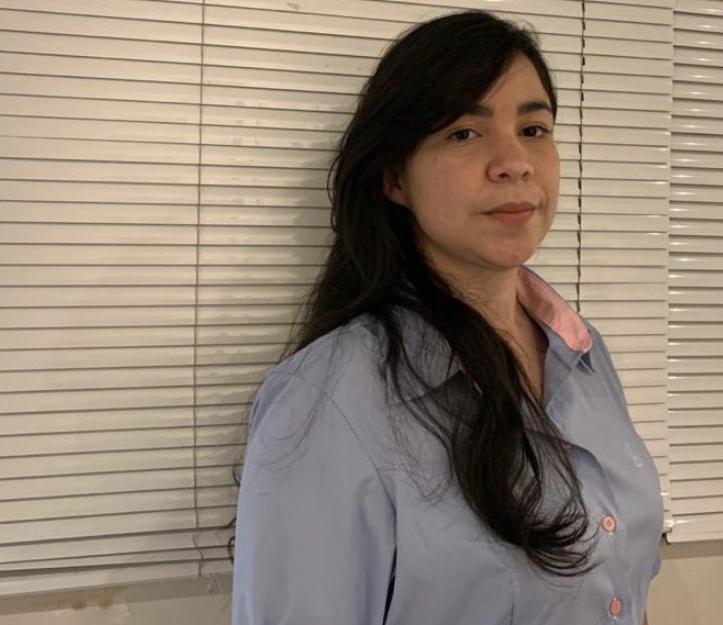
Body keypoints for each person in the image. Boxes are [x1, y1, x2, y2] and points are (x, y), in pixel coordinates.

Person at [230, 9, 663, 625]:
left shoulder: (582, 351)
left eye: (534, 129)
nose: (514, 162)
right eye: (464, 133)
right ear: (395, 178)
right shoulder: (329, 399)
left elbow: (622, 589)